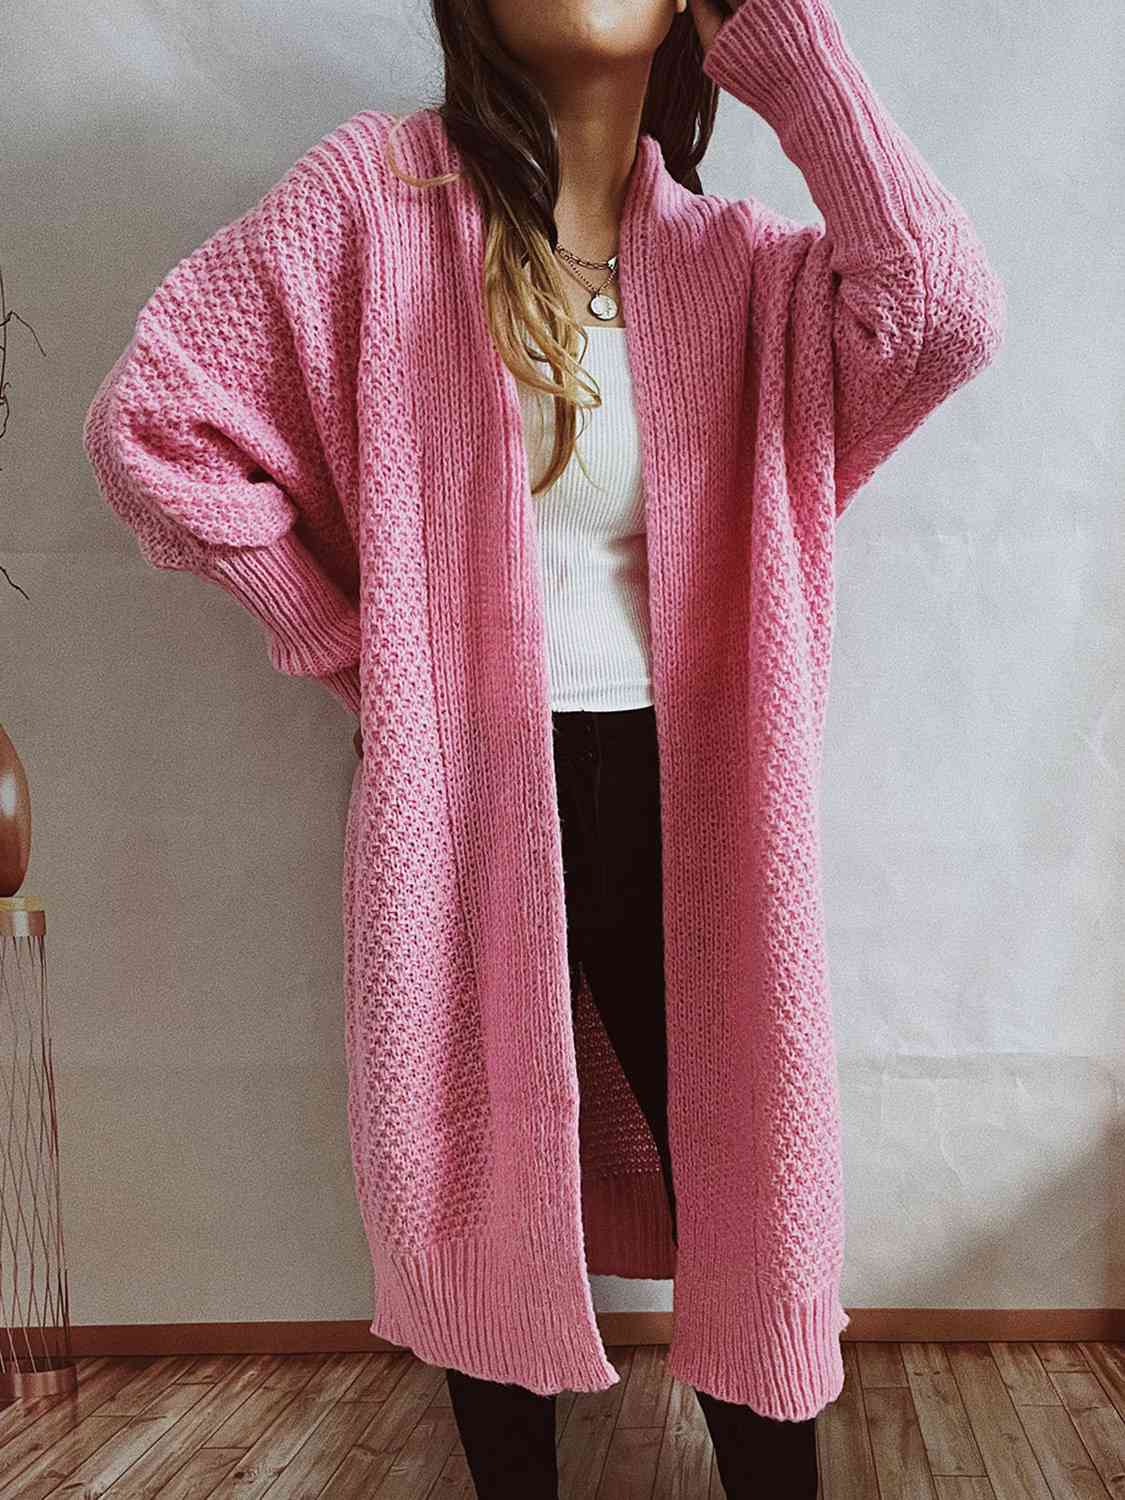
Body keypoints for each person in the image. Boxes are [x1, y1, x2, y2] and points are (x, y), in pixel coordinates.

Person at [84, 0, 1006, 1496]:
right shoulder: (376, 201)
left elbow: (944, 313)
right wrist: (347, 645)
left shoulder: (745, 268)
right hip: (459, 790)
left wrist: (797, 58)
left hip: (692, 791)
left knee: (747, 1170)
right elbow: (156, 426)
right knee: (471, 1162)